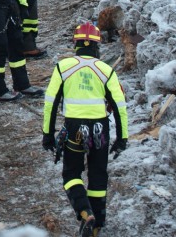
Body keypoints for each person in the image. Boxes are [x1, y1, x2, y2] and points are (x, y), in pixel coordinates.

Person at [42, 22, 128, 237]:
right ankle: (97, 224)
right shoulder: (106, 70)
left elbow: (50, 103)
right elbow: (120, 106)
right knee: (98, 174)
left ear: (76, 44)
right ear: (97, 46)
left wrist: (48, 134)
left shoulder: (63, 67)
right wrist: (122, 138)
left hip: (74, 128)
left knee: (71, 173)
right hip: (100, 129)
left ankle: (84, 212)